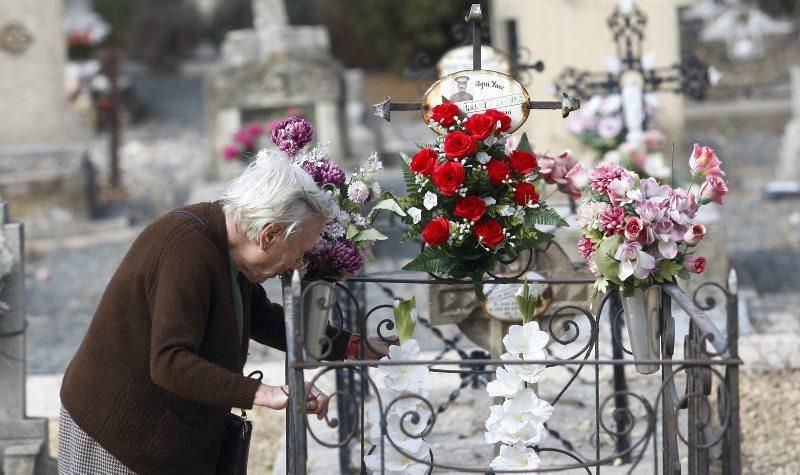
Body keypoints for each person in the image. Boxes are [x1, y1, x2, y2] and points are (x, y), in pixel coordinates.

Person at [58, 155, 388, 474]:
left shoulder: (228, 246)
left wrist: (353, 346)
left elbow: (261, 316)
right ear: (269, 234)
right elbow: (170, 361)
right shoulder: (187, 249)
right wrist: (266, 393)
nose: (297, 266)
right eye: (299, 253)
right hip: (117, 438)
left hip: (158, 435)